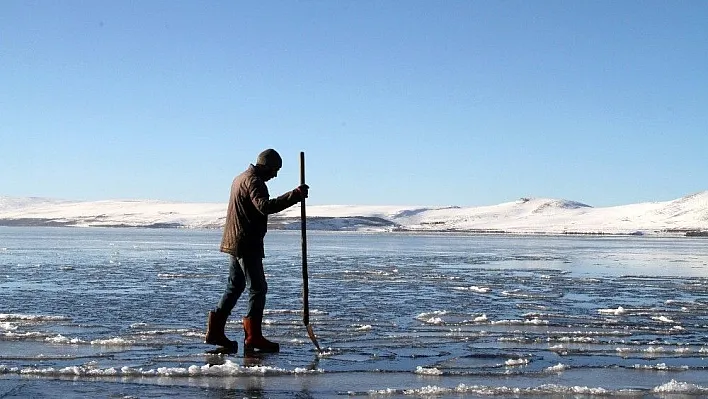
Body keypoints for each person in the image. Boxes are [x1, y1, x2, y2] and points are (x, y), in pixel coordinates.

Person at [205, 149, 308, 353]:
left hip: (236, 241)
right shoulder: (253, 181)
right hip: (246, 242)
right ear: (265, 166)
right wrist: (294, 195)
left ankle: (216, 331)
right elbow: (264, 206)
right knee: (258, 288)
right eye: (274, 170)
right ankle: (253, 337)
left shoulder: (240, 178)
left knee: (234, 287)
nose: (275, 175)